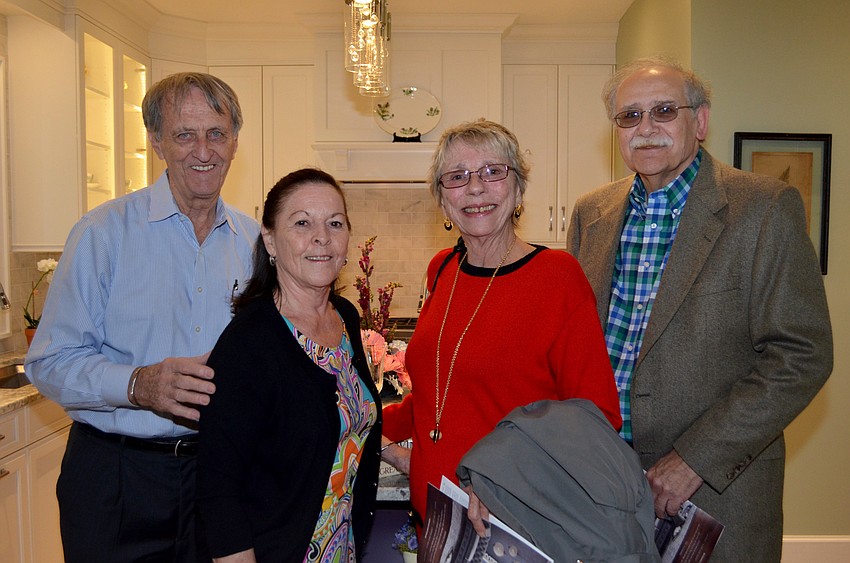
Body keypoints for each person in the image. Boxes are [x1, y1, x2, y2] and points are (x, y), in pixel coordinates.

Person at [566, 56, 833, 561]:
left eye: (664, 110)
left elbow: (801, 354)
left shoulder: (764, 207)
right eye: (629, 116)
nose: (645, 129)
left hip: (714, 494)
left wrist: (692, 460)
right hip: (605, 487)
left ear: (701, 121)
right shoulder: (590, 214)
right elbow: (575, 347)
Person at [25, 72, 259, 562]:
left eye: (216, 133)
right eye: (184, 134)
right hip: (116, 477)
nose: (203, 150)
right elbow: (49, 362)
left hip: (219, 476)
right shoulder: (101, 234)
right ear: (156, 142)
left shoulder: (255, 243)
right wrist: (137, 384)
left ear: (235, 142)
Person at [380, 119, 621, 532]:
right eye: (457, 177)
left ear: (519, 189)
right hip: (435, 520)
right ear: (442, 199)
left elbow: (596, 415)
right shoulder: (442, 270)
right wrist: (361, 423)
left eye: (493, 171)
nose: (475, 188)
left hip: (512, 522)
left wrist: (508, 478)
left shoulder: (557, 276)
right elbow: (437, 396)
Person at [195, 168, 383, 562]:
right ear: (270, 240)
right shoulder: (249, 342)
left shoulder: (344, 317)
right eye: (302, 223)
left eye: (335, 223)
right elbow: (218, 485)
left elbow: (335, 419)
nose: (322, 237)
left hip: (340, 547)